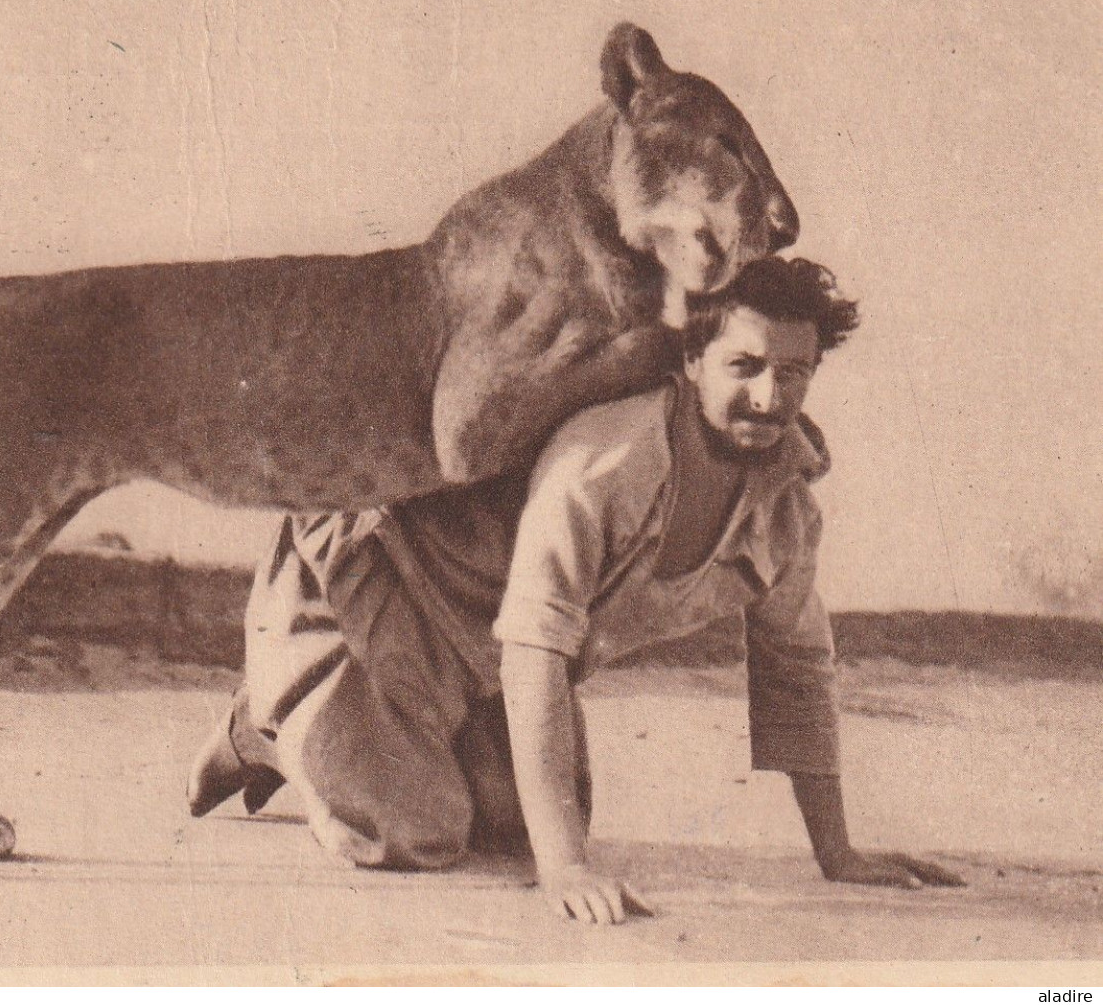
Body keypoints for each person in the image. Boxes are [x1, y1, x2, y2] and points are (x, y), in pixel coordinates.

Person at [187, 255, 964, 925]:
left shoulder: (785, 508)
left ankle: (369, 734)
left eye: (792, 371)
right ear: (691, 362)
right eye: (744, 365)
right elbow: (534, 648)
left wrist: (838, 854)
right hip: (367, 592)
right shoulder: (608, 457)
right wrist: (566, 873)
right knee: (414, 833)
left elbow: (795, 664)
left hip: (477, 662)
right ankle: (263, 722)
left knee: (513, 829)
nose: (769, 396)